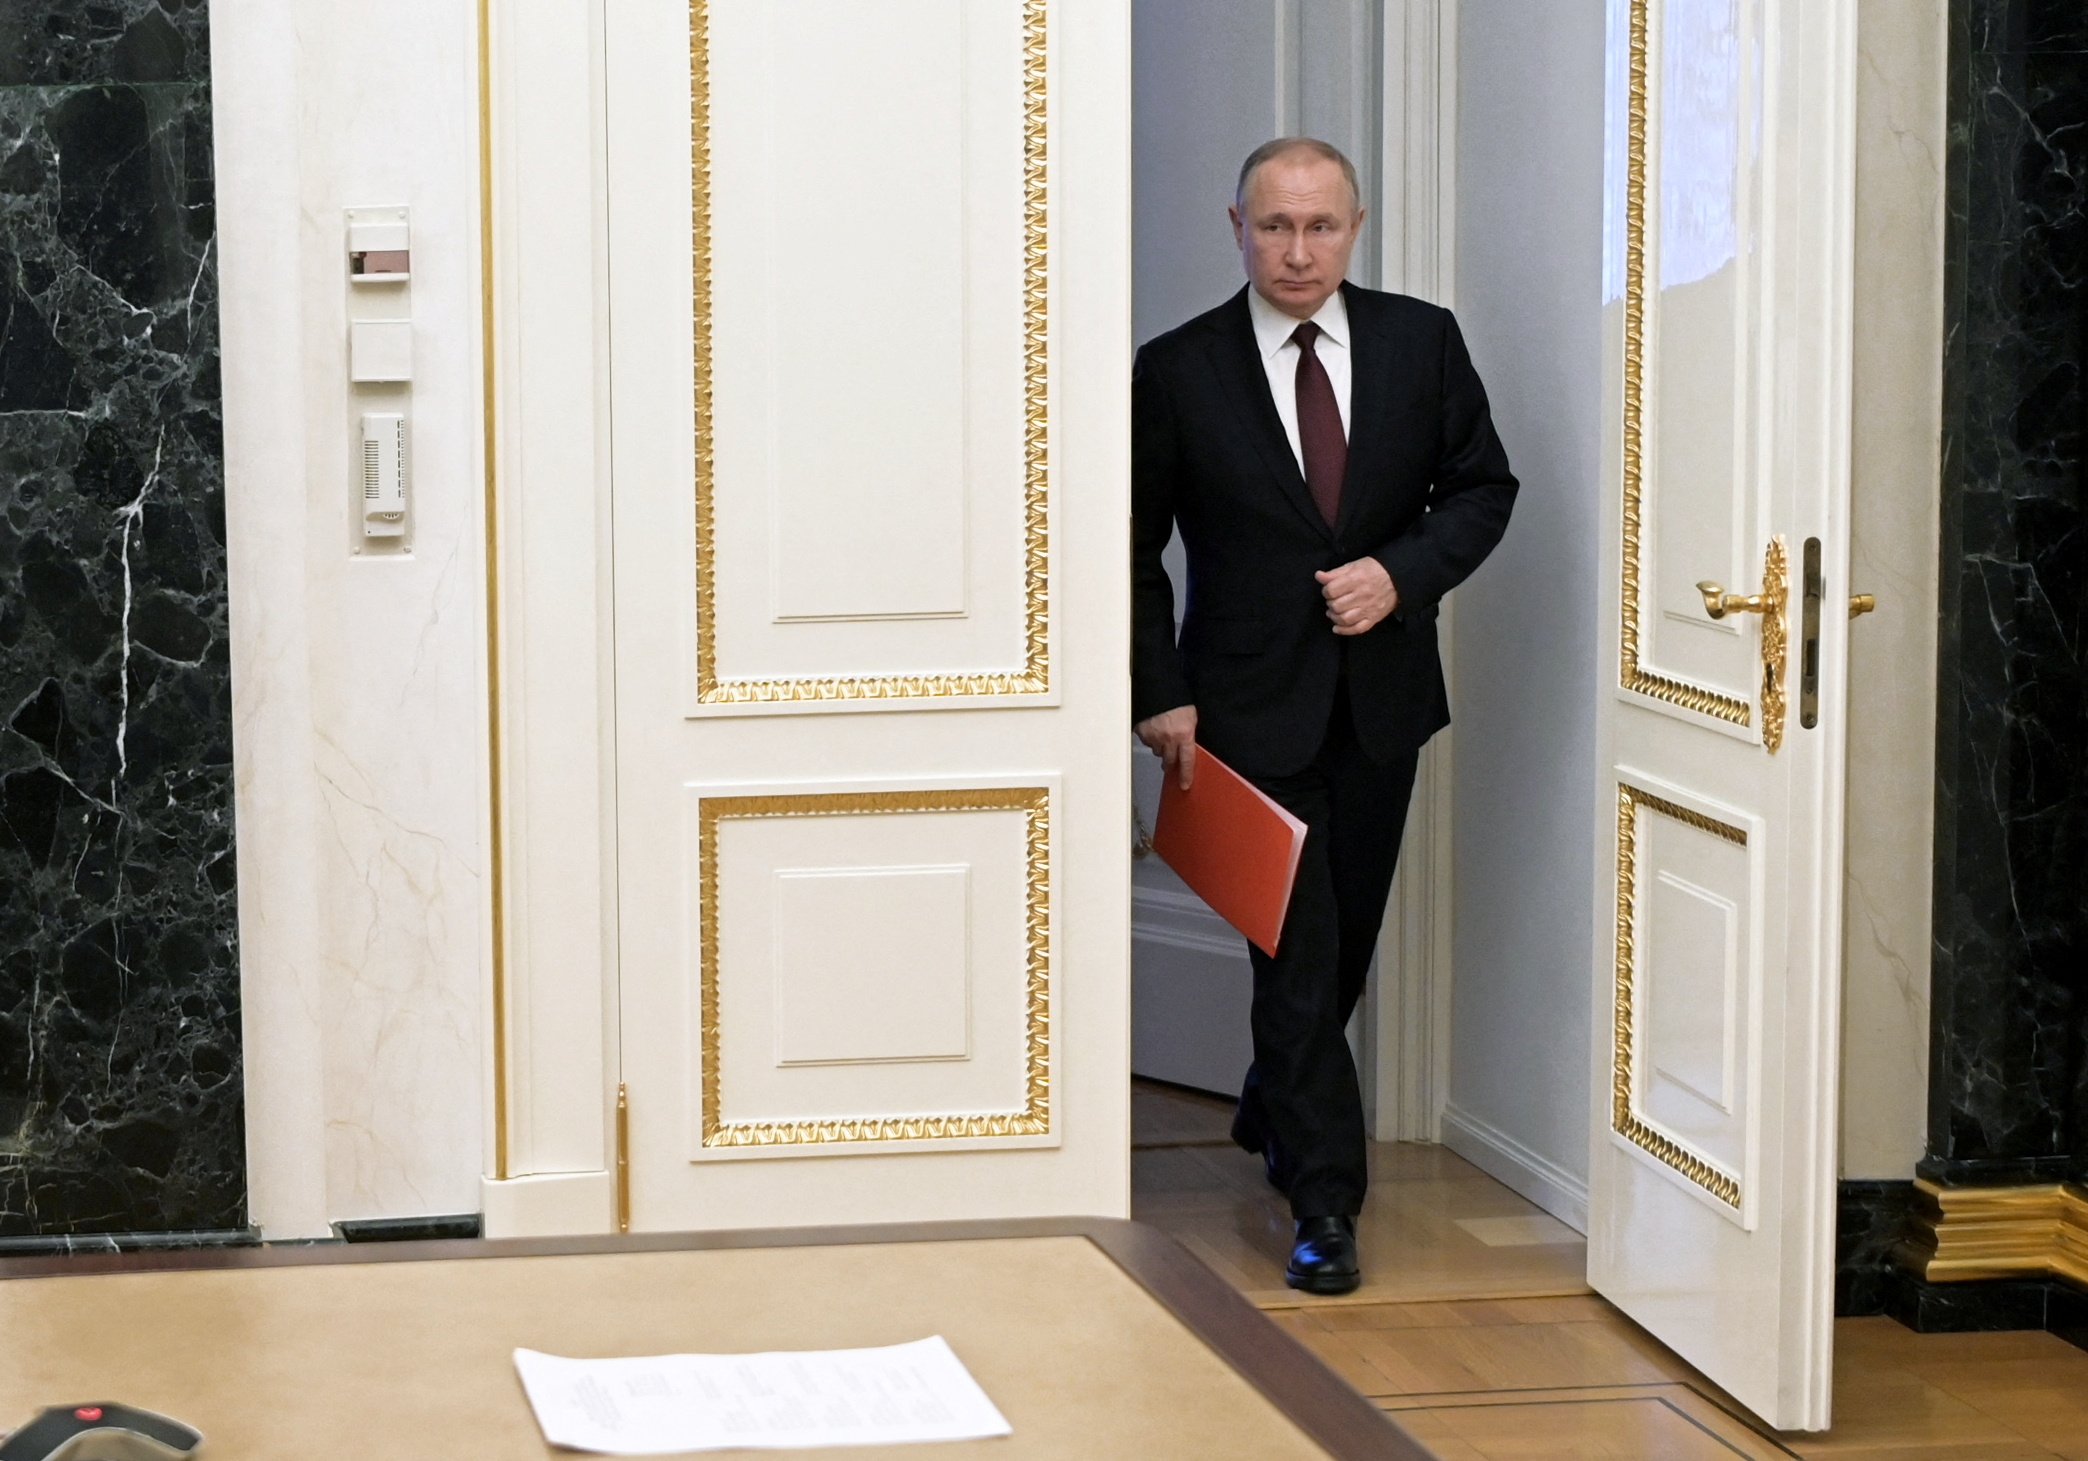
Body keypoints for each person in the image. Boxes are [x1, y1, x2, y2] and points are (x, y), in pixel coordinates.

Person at [1132, 137, 1517, 1294]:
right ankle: (1326, 1207)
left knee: (1341, 946)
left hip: (1382, 703)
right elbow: (1131, 548)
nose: (1297, 251)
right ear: (1235, 225)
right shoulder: (1178, 367)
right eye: (1273, 227)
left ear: (1356, 226)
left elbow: (1484, 489)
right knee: (1293, 960)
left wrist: (1403, 573)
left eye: (1320, 227)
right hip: (1244, 713)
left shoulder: (1421, 341)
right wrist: (1159, 690)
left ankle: (1270, 1100)